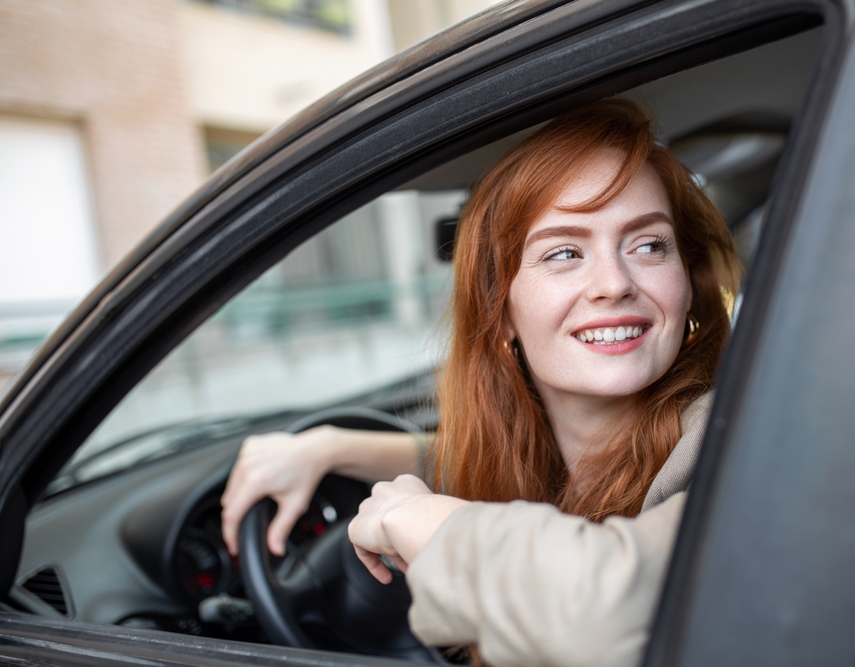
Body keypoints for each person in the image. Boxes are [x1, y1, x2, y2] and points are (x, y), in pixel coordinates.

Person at [221, 98, 740, 667]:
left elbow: (613, 613)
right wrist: (330, 447)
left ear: (687, 287)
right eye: (565, 252)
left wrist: (417, 520)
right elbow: (472, 455)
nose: (614, 283)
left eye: (648, 245)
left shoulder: (733, 439)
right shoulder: (549, 447)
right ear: (501, 315)